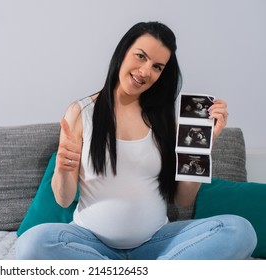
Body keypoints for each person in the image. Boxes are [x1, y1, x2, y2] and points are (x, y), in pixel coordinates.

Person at [16, 21, 257, 259]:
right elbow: (64, 198)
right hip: (89, 242)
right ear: (123, 52)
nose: (145, 72)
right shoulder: (81, 112)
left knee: (240, 231)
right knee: (31, 243)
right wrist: (63, 168)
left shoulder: (166, 122)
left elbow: (183, 200)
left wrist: (202, 147)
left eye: (157, 67)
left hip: (157, 243)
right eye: (141, 56)